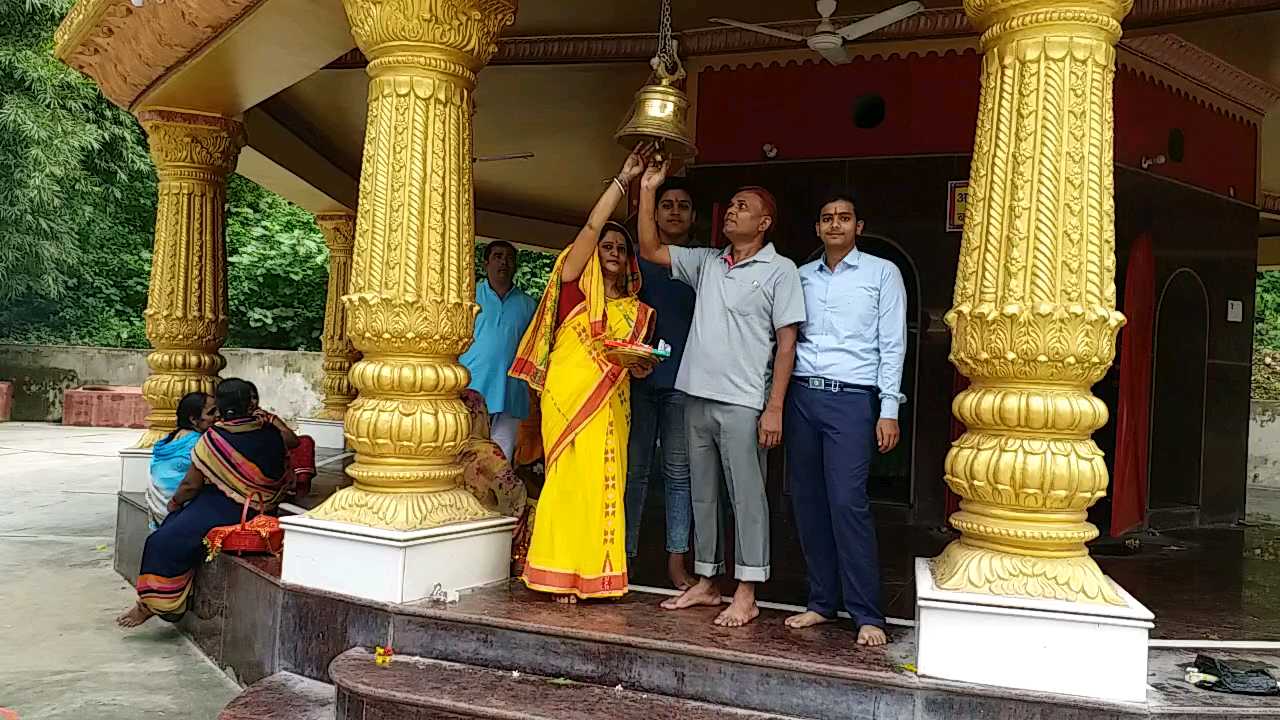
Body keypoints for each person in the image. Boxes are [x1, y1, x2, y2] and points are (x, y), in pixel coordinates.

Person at [639, 161, 806, 627]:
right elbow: (651, 248)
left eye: (742, 207)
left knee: (747, 496)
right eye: (731, 205)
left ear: (764, 222)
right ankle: (708, 582)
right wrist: (649, 188)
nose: (731, 212)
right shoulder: (707, 261)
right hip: (694, 395)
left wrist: (774, 407)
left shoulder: (780, 270)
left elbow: (788, 345)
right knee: (704, 495)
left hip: (743, 403)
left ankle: (747, 591)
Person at [510, 144, 657, 604]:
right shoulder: (574, 286)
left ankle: (595, 576)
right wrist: (623, 180)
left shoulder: (637, 313)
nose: (611, 251)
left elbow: (637, 367)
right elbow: (592, 228)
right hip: (567, 397)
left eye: (620, 247)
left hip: (611, 403)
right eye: (606, 246)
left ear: (630, 259)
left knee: (602, 483)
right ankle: (556, 574)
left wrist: (641, 363)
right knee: (567, 482)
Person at [782, 193, 906, 647]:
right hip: (802, 396)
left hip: (852, 399)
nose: (835, 224)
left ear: (859, 226)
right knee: (807, 501)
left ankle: (867, 612)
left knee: (847, 502)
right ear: (818, 228)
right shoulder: (799, 277)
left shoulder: (881, 274)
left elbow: (892, 344)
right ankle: (820, 602)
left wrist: (888, 409)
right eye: (827, 218)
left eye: (844, 218)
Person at [117, 378, 289, 628]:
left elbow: (190, 485)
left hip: (233, 507)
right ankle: (176, 594)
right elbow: (289, 450)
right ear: (251, 403)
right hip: (264, 504)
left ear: (222, 406)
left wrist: (175, 502)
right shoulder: (271, 431)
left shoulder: (215, 438)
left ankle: (157, 604)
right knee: (175, 525)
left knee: (162, 540)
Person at [625, 176, 697, 590]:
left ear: (694, 216)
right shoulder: (633, 261)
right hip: (637, 378)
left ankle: (676, 560)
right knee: (634, 472)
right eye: (666, 204)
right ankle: (626, 556)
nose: (673, 211)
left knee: (678, 472)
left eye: (682, 205)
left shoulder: (704, 263)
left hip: (683, 381)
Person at [460, 240, 539, 461]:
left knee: (499, 464)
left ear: (515, 266)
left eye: (509, 258)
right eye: (497, 256)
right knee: (464, 458)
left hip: (511, 395)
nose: (503, 262)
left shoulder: (529, 305)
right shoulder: (468, 298)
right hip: (472, 390)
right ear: (486, 263)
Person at [145, 392, 217, 529]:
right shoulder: (199, 444)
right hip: (178, 512)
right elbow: (190, 486)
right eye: (211, 412)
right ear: (194, 419)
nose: (217, 416)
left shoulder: (168, 440)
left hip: (157, 512)